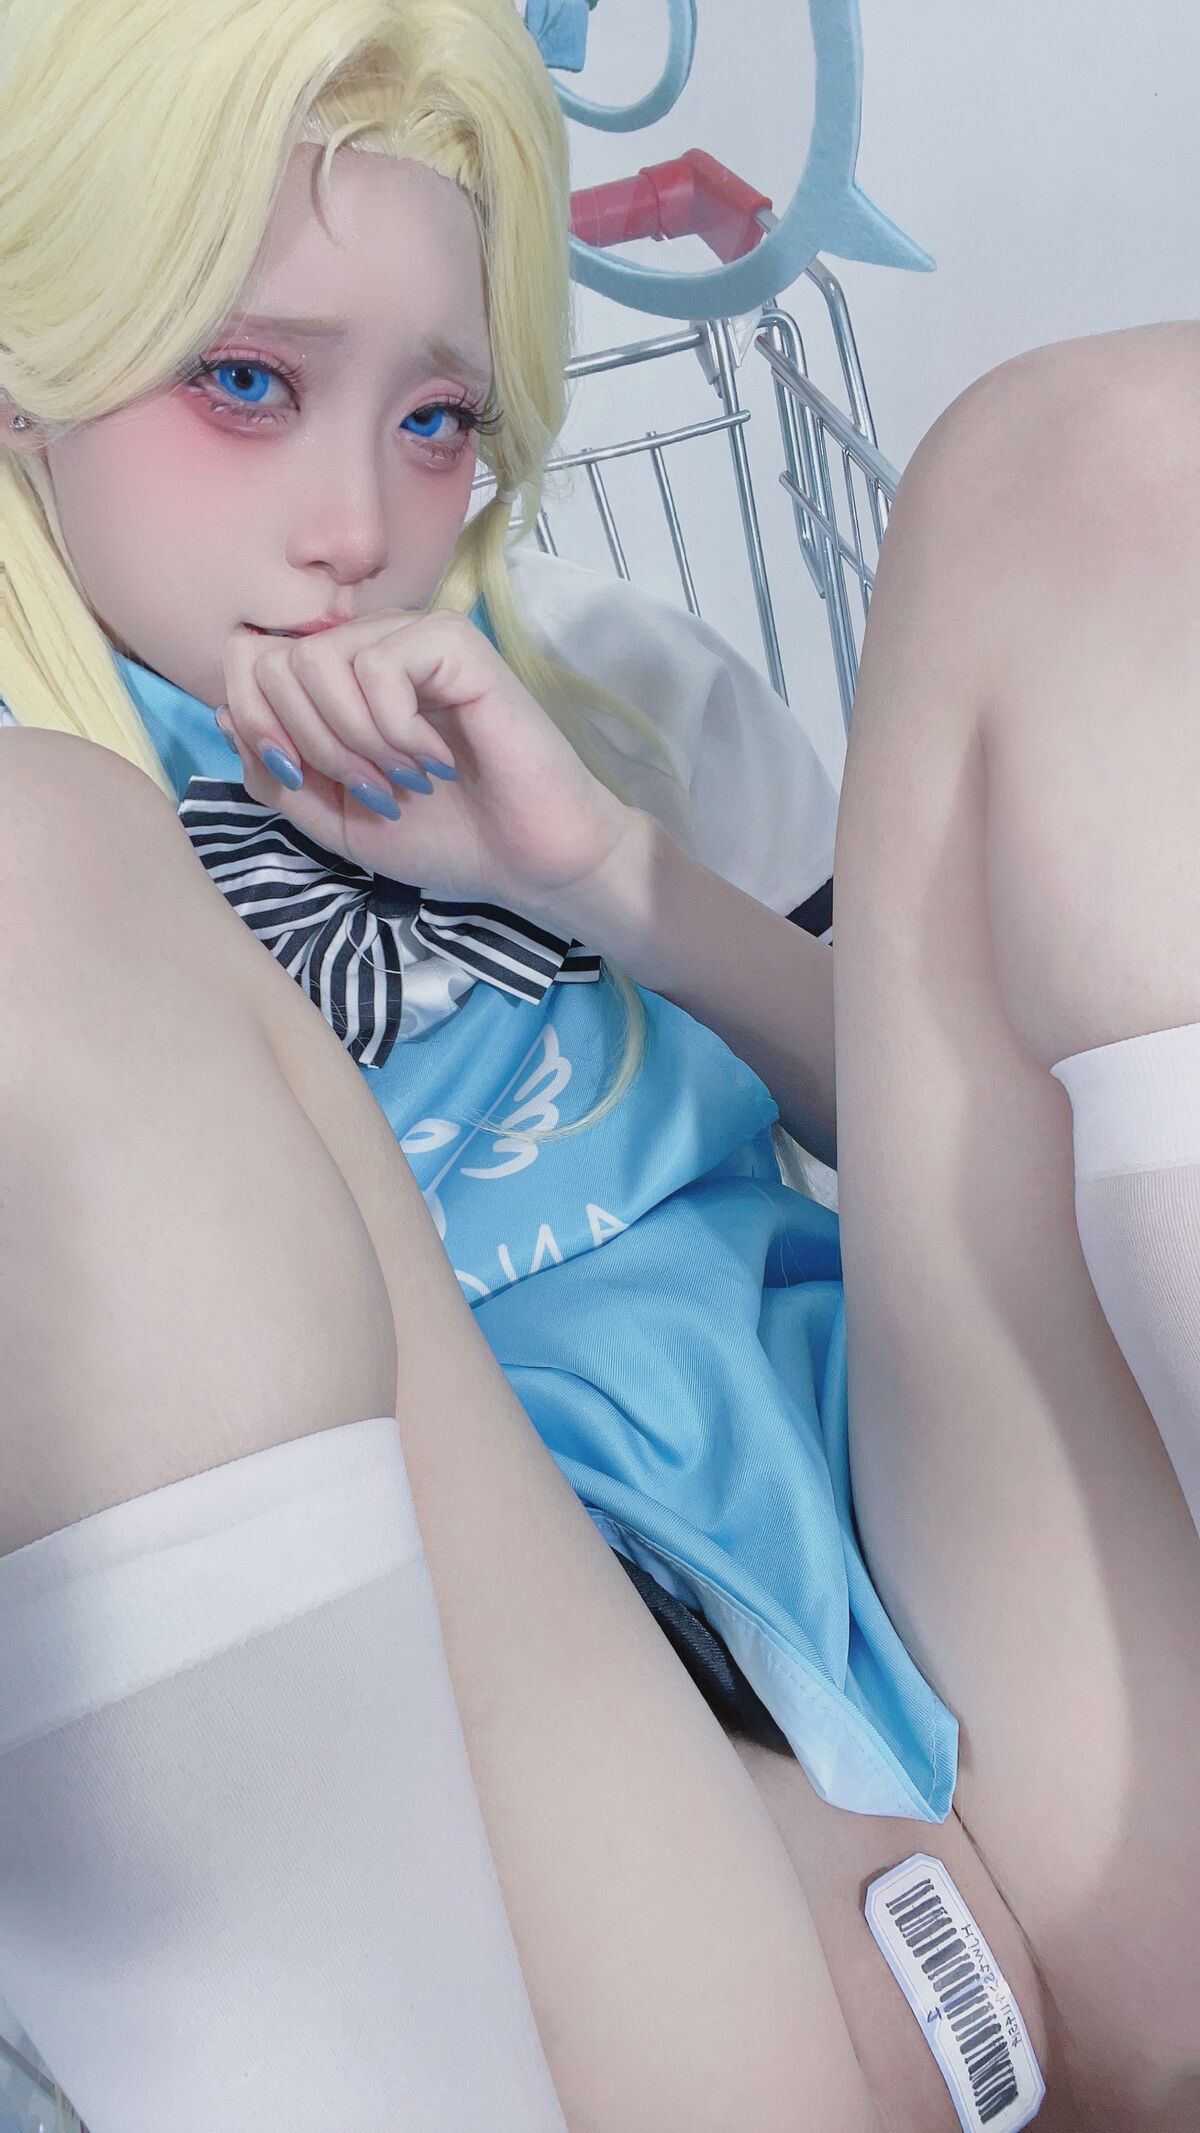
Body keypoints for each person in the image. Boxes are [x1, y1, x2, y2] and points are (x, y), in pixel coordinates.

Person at [0, 1, 1197, 2127]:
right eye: (247, 383)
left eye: (437, 420)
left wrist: (606, 878)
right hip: (559, 1839)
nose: (355, 521)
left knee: (1091, 454)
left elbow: (959, 1130)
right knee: (37, 860)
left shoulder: (597, 697)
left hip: (973, 1613)